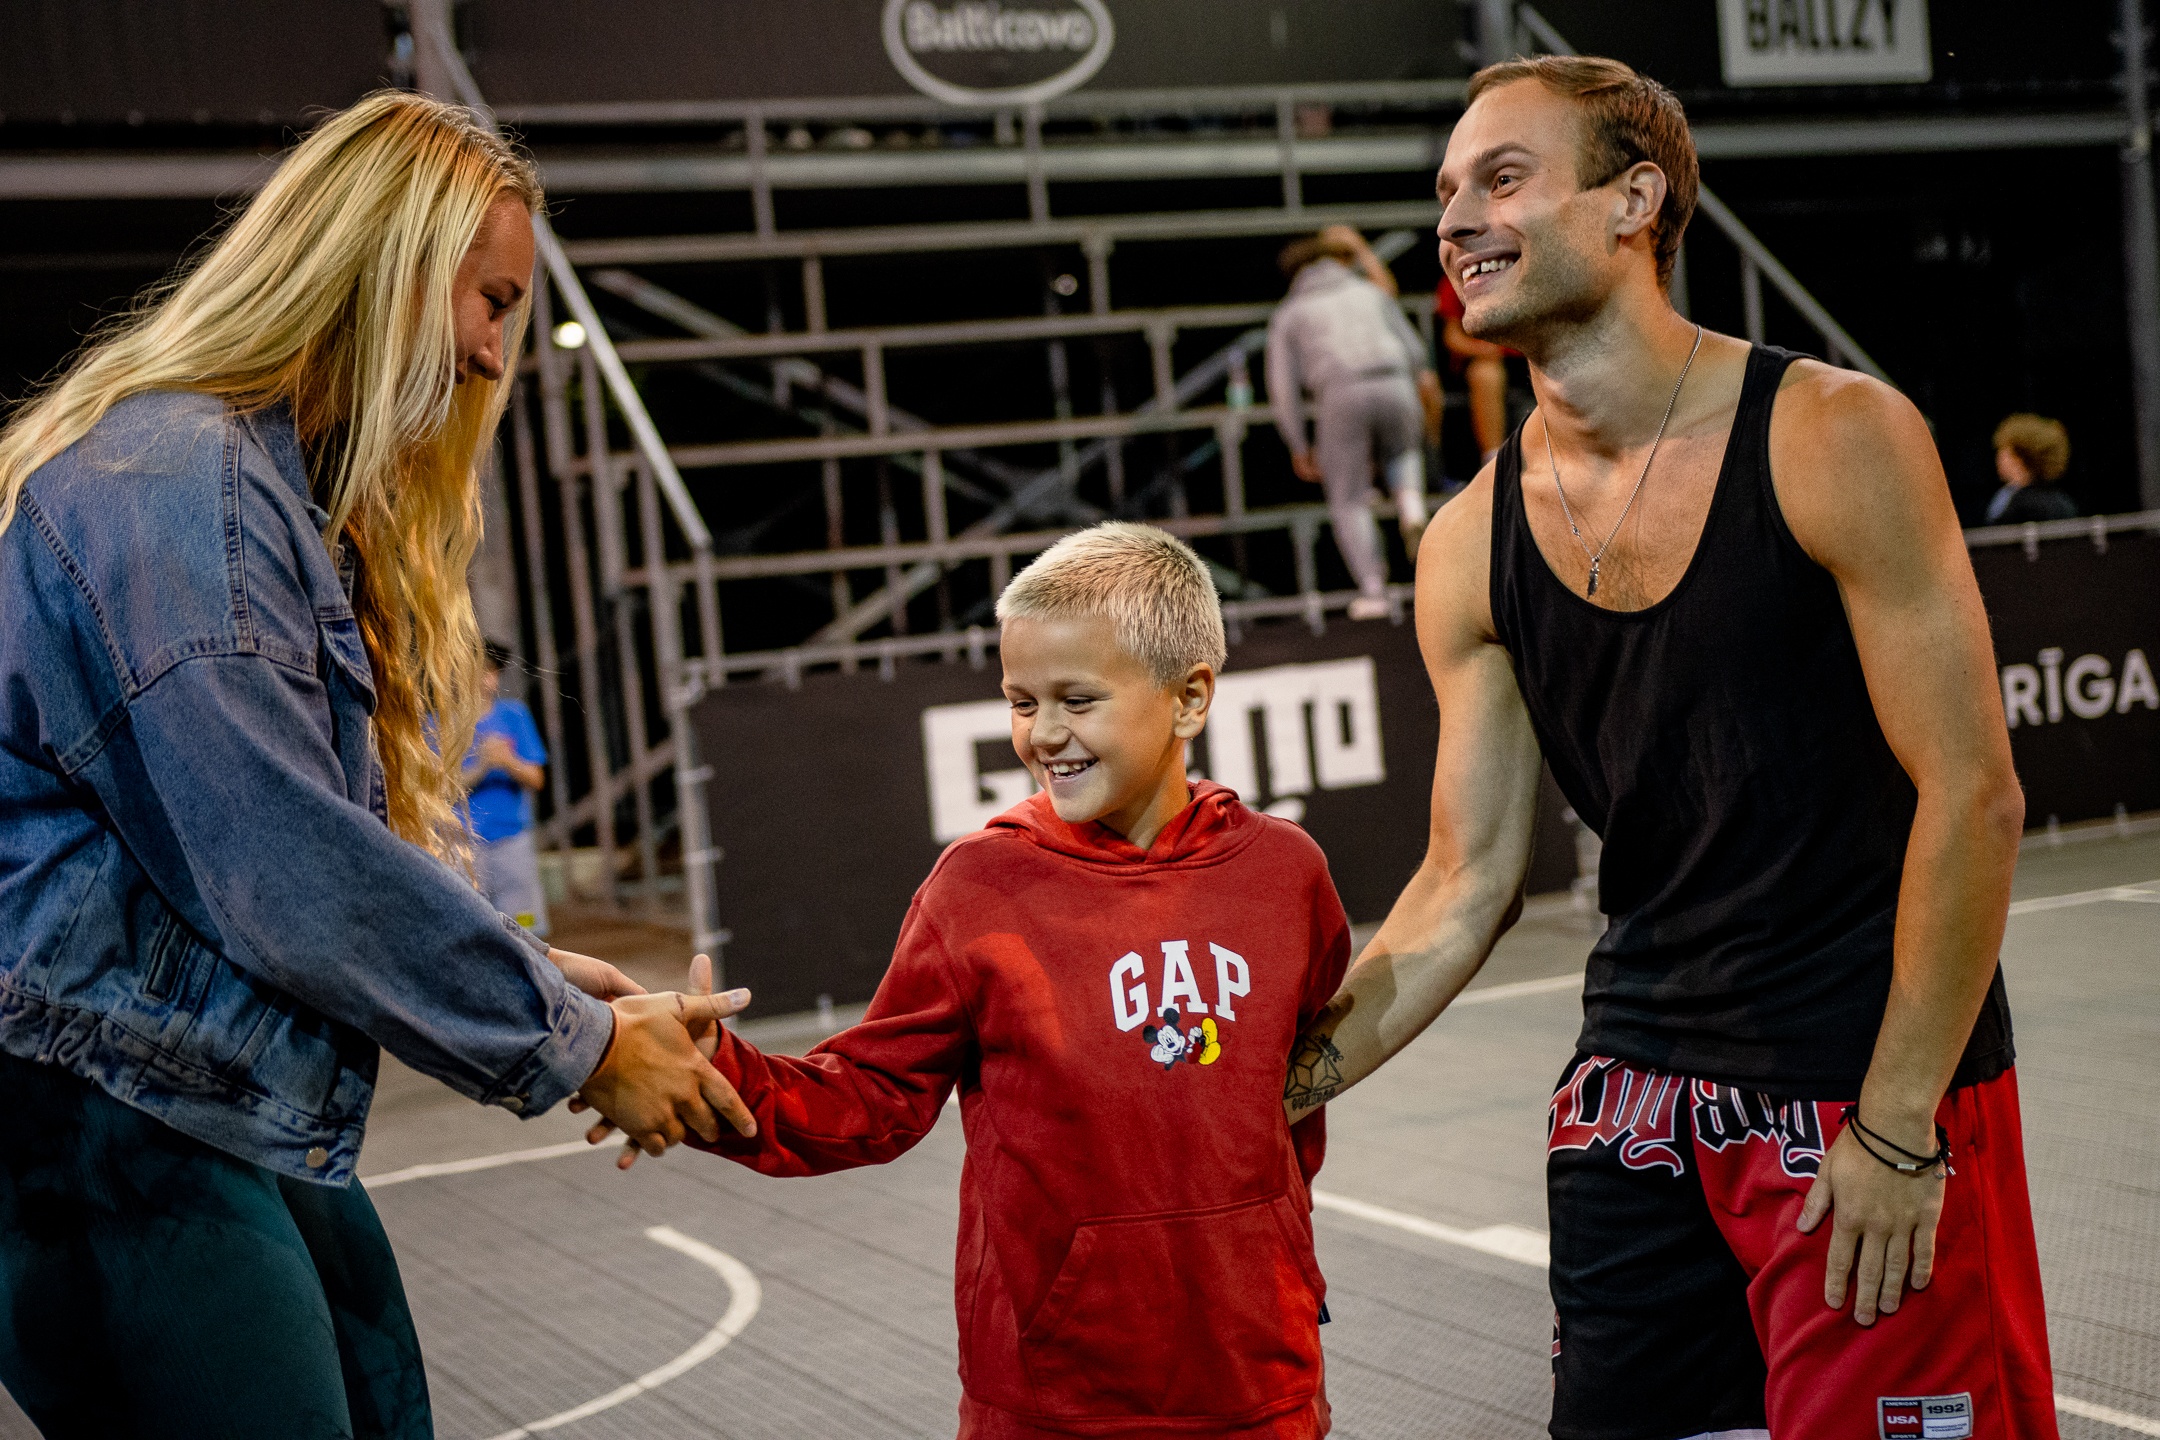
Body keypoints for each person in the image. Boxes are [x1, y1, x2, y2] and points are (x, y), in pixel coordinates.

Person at [1282, 57, 2056, 1440]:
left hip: (1862, 1093)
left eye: (1503, 178)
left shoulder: (1833, 435)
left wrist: (1897, 1123)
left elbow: (1974, 795)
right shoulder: (1465, 544)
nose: (1455, 220)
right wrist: (1270, 1089)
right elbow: (1464, 882)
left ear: (1635, 201)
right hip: (1634, 1104)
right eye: (1446, 192)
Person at [0, 92, 752, 1439]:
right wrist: (577, 1046)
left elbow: (265, 846)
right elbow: (282, 863)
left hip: (193, 1089)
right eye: (490, 300)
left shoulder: (243, 485)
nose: (493, 352)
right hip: (102, 1117)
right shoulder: (184, 491)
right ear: (385, 268)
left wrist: (533, 975)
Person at [608, 523, 1353, 1438]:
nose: (1043, 734)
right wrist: (712, 1074)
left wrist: (1276, 1262)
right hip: (1053, 1396)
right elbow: (871, 1097)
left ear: (1189, 698)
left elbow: (1298, 1097)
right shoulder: (978, 886)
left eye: (1077, 699)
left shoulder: (1285, 874)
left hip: (1259, 1377)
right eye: (1020, 701)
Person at [1267, 227, 1443, 619]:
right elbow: (1415, 352)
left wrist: (1298, 443)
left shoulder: (1291, 313)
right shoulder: (1369, 293)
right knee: (1403, 452)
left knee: (1348, 497)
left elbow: (1282, 388)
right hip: (1395, 381)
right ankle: (1412, 509)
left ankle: (1375, 591)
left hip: (1340, 391)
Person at [464, 639, 551, 935]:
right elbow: (437, 790)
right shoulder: (439, 721)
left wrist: (507, 761)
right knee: (472, 927)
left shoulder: (514, 714)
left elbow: (536, 778)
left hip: (511, 839)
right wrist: (482, 766)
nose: (486, 678)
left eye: (492, 671)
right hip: (463, 843)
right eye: (479, 670)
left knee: (525, 926)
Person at [1435, 273, 1517, 468]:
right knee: (1485, 375)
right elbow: (1452, 337)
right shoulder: (1459, 276)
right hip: (1485, 360)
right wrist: (1483, 349)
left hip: (1526, 358)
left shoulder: (1525, 271)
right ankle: (1494, 461)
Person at [1984, 412, 2078, 524]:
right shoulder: (2061, 500)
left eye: (2004, 453)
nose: (1998, 459)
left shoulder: (2021, 504)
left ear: (2019, 458)